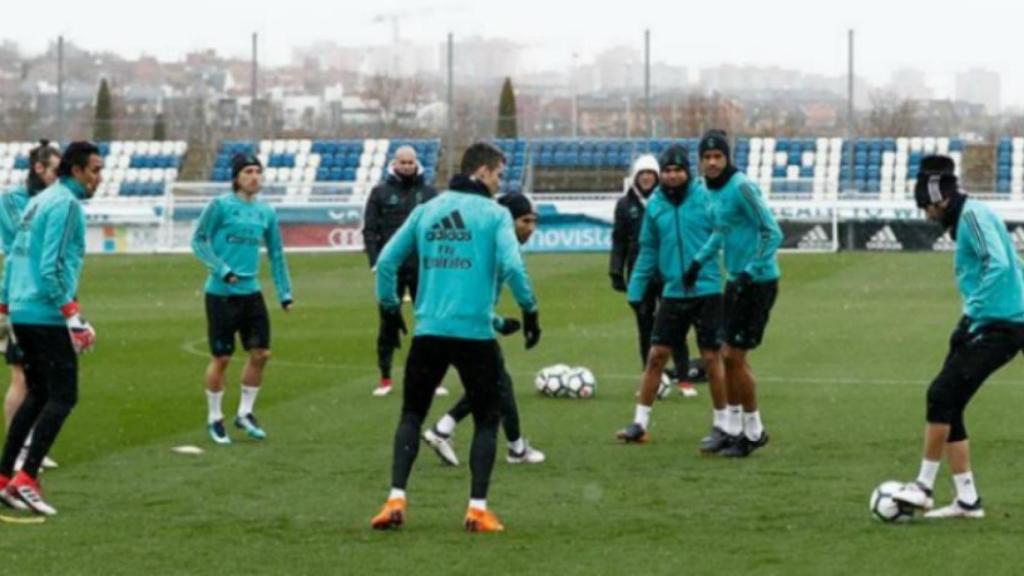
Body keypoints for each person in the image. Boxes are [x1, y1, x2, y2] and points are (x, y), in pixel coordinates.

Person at [370, 142, 540, 533]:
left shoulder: (427, 210)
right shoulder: (495, 215)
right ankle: (476, 509)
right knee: (486, 418)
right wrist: (530, 311)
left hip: (429, 331)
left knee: (412, 414)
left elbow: (387, 263)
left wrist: (390, 307)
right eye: (497, 175)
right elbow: (514, 266)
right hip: (474, 335)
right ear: (482, 172)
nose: (499, 184)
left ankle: (395, 498)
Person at [891, 156, 1024, 519]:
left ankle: (923, 486)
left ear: (941, 200)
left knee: (941, 395)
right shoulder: (969, 215)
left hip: (1000, 326)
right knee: (952, 404)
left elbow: (998, 264)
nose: (926, 215)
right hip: (987, 321)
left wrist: (973, 313)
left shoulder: (971, 217)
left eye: (927, 207)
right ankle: (967, 500)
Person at [0, 141, 102, 515]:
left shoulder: (38, 201)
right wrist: (73, 317)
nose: (99, 178)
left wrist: (5, 306)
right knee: (64, 395)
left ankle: (4, 477)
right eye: (94, 170)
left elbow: (14, 257)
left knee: (38, 393)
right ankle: (27, 478)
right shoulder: (65, 205)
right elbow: (51, 267)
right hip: (45, 313)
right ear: (75, 170)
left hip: (23, 310)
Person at [614, 145, 726, 445]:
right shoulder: (656, 206)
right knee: (656, 357)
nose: (672, 176)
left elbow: (720, 233)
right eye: (667, 171)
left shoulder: (705, 197)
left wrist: (698, 263)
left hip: (707, 289)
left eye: (678, 170)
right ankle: (639, 423)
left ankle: (722, 425)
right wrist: (636, 289)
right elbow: (648, 248)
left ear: (687, 172)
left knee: (712, 358)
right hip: (673, 291)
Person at [423, 192, 545, 466]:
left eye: (534, 221)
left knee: (491, 384)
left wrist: (498, 322)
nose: (531, 228)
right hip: (464, 327)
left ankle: (444, 428)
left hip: (449, 322)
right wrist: (530, 313)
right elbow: (513, 275)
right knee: (499, 384)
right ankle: (515, 449)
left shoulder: (480, 244)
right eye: (526, 221)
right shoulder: (499, 249)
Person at [685, 130, 782, 457]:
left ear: (727, 159)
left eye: (718, 157)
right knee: (728, 356)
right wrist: (697, 262)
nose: (712, 162)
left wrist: (751, 272)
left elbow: (773, 232)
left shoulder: (741, 187)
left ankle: (753, 431)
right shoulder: (706, 190)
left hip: (758, 282)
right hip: (737, 281)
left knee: (733, 357)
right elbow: (721, 232)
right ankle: (737, 428)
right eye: (707, 157)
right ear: (700, 161)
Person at [191, 153, 293, 445]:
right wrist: (222, 270)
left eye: (258, 172)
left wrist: (285, 293)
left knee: (261, 353)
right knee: (222, 357)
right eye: (248, 171)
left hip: (252, 293)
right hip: (221, 294)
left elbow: (276, 253)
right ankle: (214, 417)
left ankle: (245, 413)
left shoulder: (266, 213)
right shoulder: (220, 206)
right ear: (237, 177)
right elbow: (198, 240)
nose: (254, 177)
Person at [610, 154, 697, 398]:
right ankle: (650, 379)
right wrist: (616, 270)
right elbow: (618, 240)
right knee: (645, 328)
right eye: (642, 174)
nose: (647, 178)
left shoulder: (667, 201)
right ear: (636, 177)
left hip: (669, 272)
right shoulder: (625, 205)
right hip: (640, 273)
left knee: (676, 326)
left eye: (651, 173)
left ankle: (683, 377)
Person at [0, 141, 61, 470]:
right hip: (17, 297)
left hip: (46, 299)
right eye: (55, 170)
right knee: (21, 374)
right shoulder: (11, 201)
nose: (59, 177)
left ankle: (31, 443)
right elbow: (21, 244)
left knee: (43, 378)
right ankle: (16, 446)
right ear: (38, 169)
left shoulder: (55, 201)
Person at [362, 146, 439, 397]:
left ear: (416, 163)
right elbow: (370, 230)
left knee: (429, 323)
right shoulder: (380, 192)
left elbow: (440, 231)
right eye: (402, 162)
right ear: (394, 164)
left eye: (410, 162)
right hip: (391, 270)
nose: (406, 166)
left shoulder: (429, 193)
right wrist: (376, 262)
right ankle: (385, 378)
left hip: (422, 269)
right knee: (387, 324)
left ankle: (433, 379)